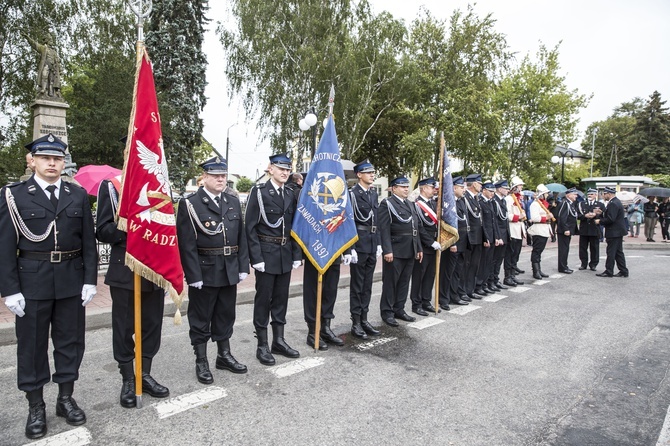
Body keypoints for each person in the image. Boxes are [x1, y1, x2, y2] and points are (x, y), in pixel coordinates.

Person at [0, 133, 97, 439]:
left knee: (70, 344)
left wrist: (90, 280)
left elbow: (88, 243)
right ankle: (35, 405)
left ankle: (65, 398)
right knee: (32, 347)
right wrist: (10, 289)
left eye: (57, 158)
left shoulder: (76, 195)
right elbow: (4, 247)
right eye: (46, 158)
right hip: (32, 281)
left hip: (71, 279)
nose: (52, 163)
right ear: (33, 161)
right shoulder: (13, 195)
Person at [97, 175, 170, 407]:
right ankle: (128, 379)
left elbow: (167, 227)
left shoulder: (160, 185)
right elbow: (103, 231)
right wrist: (133, 226)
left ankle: (144, 374)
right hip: (125, 270)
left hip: (154, 269)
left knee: (151, 326)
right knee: (124, 327)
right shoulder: (112, 186)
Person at [177, 156, 250, 383]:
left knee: (225, 314)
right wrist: (192, 275)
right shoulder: (190, 204)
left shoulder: (231, 200)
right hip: (205, 270)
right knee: (200, 317)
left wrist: (242, 265)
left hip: (228, 268)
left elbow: (241, 236)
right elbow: (186, 243)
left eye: (223, 175)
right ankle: (201, 361)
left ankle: (224, 355)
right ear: (205, 177)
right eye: (216, 175)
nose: (221, 179)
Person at [245, 154, 302, 365]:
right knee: (263, 300)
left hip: (285, 252)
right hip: (266, 253)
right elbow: (249, 227)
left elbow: (295, 226)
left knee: (281, 299)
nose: (285, 173)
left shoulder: (290, 193)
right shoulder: (259, 192)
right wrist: (256, 257)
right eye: (281, 169)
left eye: (288, 170)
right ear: (270, 169)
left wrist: (297, 254)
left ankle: (279, 340)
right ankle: (262, 345)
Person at [378, 176, 423, 326]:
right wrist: (387, 250)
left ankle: (399, 309)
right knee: (391, 283)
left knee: (404, 282)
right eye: (402, 187)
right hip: (395, 249)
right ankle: (387, 312)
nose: (406, 189)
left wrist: (419, 248)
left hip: (410, 249)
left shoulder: (410, 204)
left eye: (407, 187)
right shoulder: (388, 204)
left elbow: (415, 229)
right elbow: (384, 229)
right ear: (394, 188)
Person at [348, 160, 381, 339]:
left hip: (371, 243)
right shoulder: (352, 194)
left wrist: (379, 244)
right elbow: (350, 222)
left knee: (367, 285)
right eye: (368, 172)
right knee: (357, 285)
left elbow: (376, 221)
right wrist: (351, 247)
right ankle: (356, 322)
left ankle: (365, 318)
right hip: (359, 244)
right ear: (359, 175)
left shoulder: (373, 194)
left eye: (373, 172)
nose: (372, 175)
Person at [303, 253, 350, 350]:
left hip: (333, 252)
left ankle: (325, 328)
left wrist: (348, 251)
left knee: (330, 290)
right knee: (313, 292)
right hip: (315, 251)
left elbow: (343, 236)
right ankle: (312, 332)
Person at [410, 178, 442, 316]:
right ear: (423, 188)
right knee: (419, 276)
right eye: (431, 187)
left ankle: (426, 301)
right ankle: (416, 304)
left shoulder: (435, 204)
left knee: (430, 275)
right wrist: (430, 242)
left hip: (435, 245)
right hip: (424, 245)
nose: (434, 189)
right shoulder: (417, 205)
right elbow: (419, 227)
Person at [595, 187, 629, 278]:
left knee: (611, 252)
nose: (603, 196)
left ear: (609, 194)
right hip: (618, 231)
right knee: (618, 252)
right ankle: (623, 270)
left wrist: (600, 221)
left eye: (604, 194)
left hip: (614, 231)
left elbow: (611, 219)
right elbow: (611, 214)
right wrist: (602, 212)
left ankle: (609, 271)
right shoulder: (615, 202)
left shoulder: (613, 203)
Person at [462, 174, 485, 300]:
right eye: (479, 183)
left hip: (478, 237)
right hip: (469, 237)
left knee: (474, 265)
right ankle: (463, 290)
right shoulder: (465, 198)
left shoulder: (476, 198)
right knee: (466, 265)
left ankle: (470, 289)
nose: (481, 185)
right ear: (473, 184)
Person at [475, 181, 500, 295]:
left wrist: (497, 237)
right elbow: (483, 223)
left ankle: (484, 283)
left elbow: (494, 222)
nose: (492, 194)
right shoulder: (480, 202)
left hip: (492, 236)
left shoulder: (490, 203)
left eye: (493, 192)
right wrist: (486, 238)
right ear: (484, 190)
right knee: (482, 263)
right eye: (490, 191)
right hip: (486, 237)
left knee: (489, 262)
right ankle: (479, 285)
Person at [23, 32, 62, 99]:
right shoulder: (43, 48)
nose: (51, 42)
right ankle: (43, 89)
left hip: (53, 68)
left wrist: (60, 67)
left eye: (52, 40)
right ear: (47, 41)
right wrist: (27, 37)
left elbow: (57, 61)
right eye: (50, 40)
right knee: (44, 76)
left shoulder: (54, 51)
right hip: (46, 65)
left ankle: (51, 94)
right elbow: (34, 44)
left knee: (52, 81)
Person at [527, 185, 553, 280]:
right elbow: (534, 218)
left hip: (544, 229)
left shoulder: (542, 204)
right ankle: (535, 271)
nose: (547, 195)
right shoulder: (535, 204)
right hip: (538, 229)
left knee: (540, 251)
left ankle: (539, 269)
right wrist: (547, 217)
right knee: (537, 251)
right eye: (545, 193)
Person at [504, 176, 526, 286]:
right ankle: (508, 276)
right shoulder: (509, 199)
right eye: (520, 185)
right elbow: (507, 215)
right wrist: (518, 216)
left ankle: (512, 275)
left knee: (516, 254)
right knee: (510, 254)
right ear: (515, 187)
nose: (521, 187)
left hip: (519, 229)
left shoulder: (518, 199)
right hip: (512, 229)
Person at [577, 188, 606, 271]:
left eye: (592, 194)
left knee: (594, 248)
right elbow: (577, 215)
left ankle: (593, 264)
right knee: (583, 248)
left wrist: (596, 215)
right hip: (584, 229)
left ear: (595, 195)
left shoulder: (600, 204)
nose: (590, 196)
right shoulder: (581, 204)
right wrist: (584, 216)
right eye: (589, 194)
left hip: (594, 229)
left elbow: (603, 216)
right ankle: (583, 263)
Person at [490, 180, 510, 291]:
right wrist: (498, 236)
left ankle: (495, 279)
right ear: (499, 189)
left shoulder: (503, 201)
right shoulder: (494, 201)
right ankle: (491, 280)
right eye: (505, 188)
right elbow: (495, 220)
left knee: (499, 259)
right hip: (498, 234)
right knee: (494, 259)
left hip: (504, 233)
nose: (507, 190)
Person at [556, 188, 578, 273]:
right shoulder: (565, 203)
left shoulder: (570, 203)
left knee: (566, 249)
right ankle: (562, 267)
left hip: (568, 230)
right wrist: (566, 229)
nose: (576, 196)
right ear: (568, 195)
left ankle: (564, 265)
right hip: (564, 231)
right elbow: (562, 217)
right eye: (574, 194)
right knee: (563, 249)